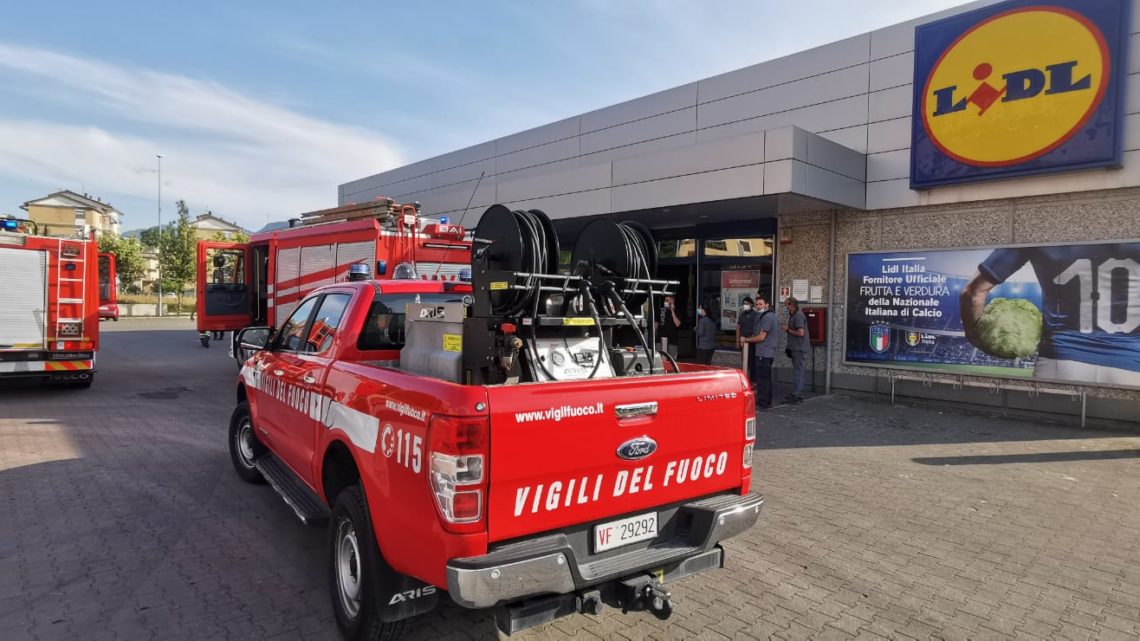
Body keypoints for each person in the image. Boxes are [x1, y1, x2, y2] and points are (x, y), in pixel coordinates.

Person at [960, 245, 1140, 386]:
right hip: (1132, 367)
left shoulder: (1038, 226)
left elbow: (972, 294)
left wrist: (974, 334)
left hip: (1059, 362)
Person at [743, 296, 778, 408]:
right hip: (765, 352)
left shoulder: (767, 317)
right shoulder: (765, 316)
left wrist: (747, 339)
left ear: (766, 305)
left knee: (762, 379)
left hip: (764, 353)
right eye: (757, 304)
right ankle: (766, 400)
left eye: (761, 304)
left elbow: (761, 337)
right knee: (765, 378)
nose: (758, 306)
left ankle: (763, 401)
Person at [781, 297, 810, 404]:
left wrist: (787, 329)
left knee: (799, 371)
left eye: (786, 305)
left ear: (791, 305)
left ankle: (797, 395)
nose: (785, 307)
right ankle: (797, 393)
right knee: (798, 371)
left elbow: (801, 333)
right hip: (796, 347)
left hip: (799, 348)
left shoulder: (798, 316)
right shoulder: (794, 315)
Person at [736, 297, 759, 388]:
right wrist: (737, 340)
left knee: (752, 362)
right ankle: (745, 380)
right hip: (743, 342)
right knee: (745, 361)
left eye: (746, 303)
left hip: (752, 342)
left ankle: (753, 381)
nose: (744, 305)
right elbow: (738, 327)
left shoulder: (755, 314)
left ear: (751, 304)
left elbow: (757, 327)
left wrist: (752, 336)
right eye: (743, 303)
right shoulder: (742, 315)